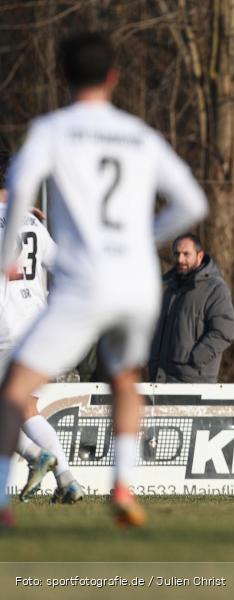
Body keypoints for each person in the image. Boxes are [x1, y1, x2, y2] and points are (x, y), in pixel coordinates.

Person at [0, 32, 208, 529]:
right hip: (135, 280)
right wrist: (145, 239)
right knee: (124, 379)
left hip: (85, 280)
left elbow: (21, 188)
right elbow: (193, 204)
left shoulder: (52, 130)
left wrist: (9, 255)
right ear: (114, 77)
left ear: (61, 76)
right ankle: (122, 486)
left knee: (14, 390)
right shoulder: (139, 134)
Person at [0, 191, 84, 503]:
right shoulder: (33, 221)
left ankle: (37, 456)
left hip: (4, 329)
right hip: (37, 328)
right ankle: (67, 480)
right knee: (27, 409)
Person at [148, 234, 234, 383]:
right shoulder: (169, 287)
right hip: (159, 377)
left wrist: (194, 359)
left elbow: (224, 332)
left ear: (200, 256)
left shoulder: (215, 289)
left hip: (192, 382)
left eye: (186, 254)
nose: (180, 259)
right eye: (177, 254)